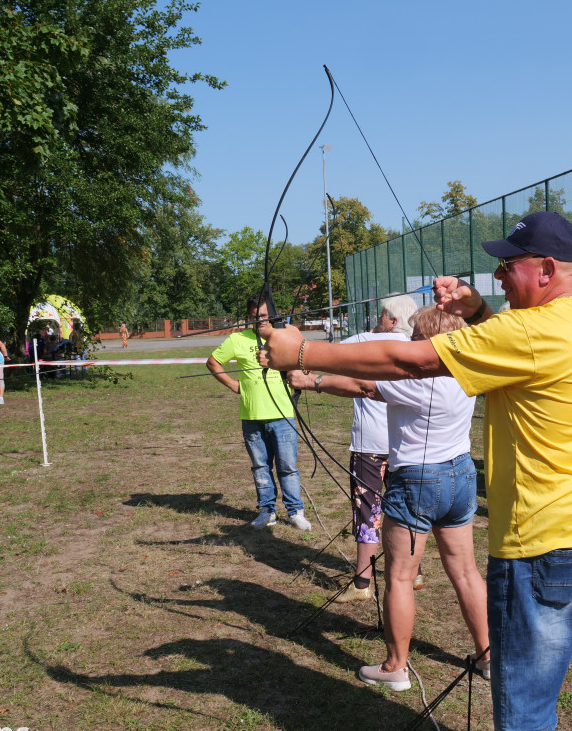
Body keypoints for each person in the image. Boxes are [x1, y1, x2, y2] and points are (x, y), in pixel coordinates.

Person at [259, 211, 572, 731]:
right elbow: (528, 347)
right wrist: (481, 311)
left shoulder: (531, 332)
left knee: (524, 700)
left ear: (548, 268)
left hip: (546, 542)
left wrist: (302, 354)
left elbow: (409, 359)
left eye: (509, 266)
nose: (501, 275)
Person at [295, 306, 488, 692]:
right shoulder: (470, 369)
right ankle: (490, 658)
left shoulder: (418, 375)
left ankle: (395, 667)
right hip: (461, 474)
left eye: (416, 336)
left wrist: (310, 379)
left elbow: (361, 384)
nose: (410, 342)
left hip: (418, 479)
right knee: (465, 571)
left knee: (399, 575)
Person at [290, 294, 418, 603]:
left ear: (394, 321)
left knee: (367, 511)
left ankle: (362, 584)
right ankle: (414, 573)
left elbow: (315, 354)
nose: (378, 319)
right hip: (406, 445)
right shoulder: (418, 347)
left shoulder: (365, 341)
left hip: (370, 446)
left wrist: (294, 348)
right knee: (408, 511)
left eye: (383, 314)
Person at [207, 295, 310, 531]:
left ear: (273, 314)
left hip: (283, 415)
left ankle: (295, 512)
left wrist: (283, 362)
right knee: (260, 467)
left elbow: (306, 363)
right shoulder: (237, 339)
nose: (260, 320)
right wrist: (233, 384)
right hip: (251, 417)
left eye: (264, 316)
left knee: (287, 466)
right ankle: (267, 511)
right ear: (248, 318)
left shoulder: (284, 335)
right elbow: (213, 362)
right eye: (255, 317)